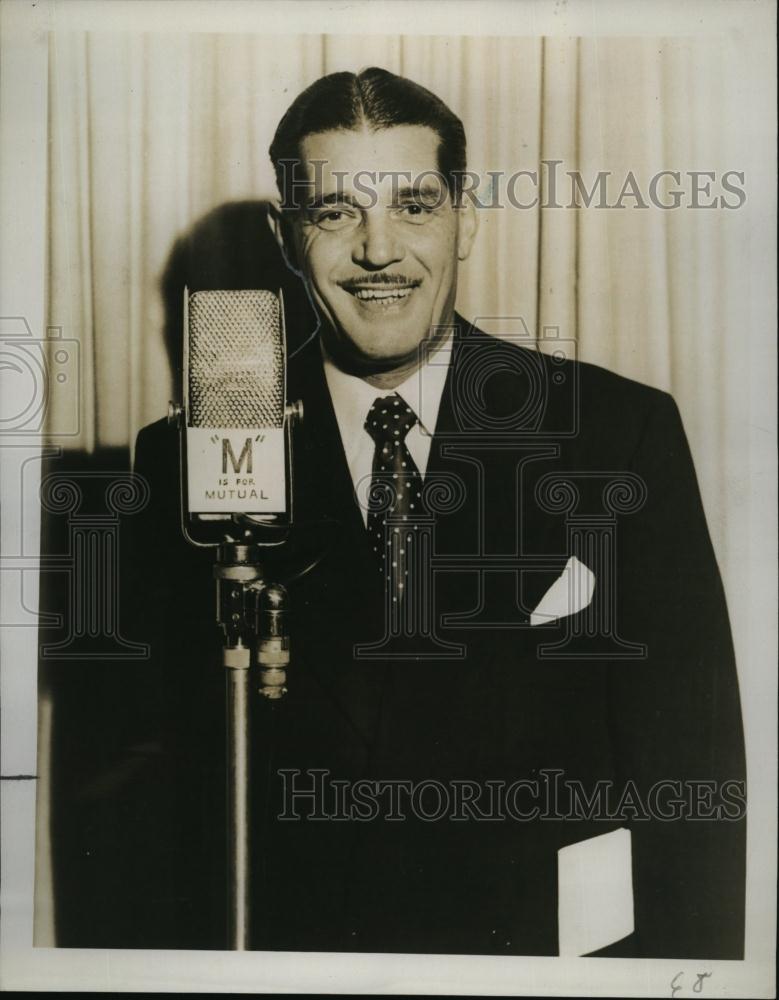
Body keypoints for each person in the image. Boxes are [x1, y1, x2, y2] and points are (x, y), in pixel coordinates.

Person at [59, 67, 746, 959]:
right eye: (335, 212)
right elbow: (153, 796)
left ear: (465, 221)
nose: (378, 252)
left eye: (414, 206)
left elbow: (690, 778)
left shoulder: (617, 435)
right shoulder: (187, 458)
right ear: (285, 235)